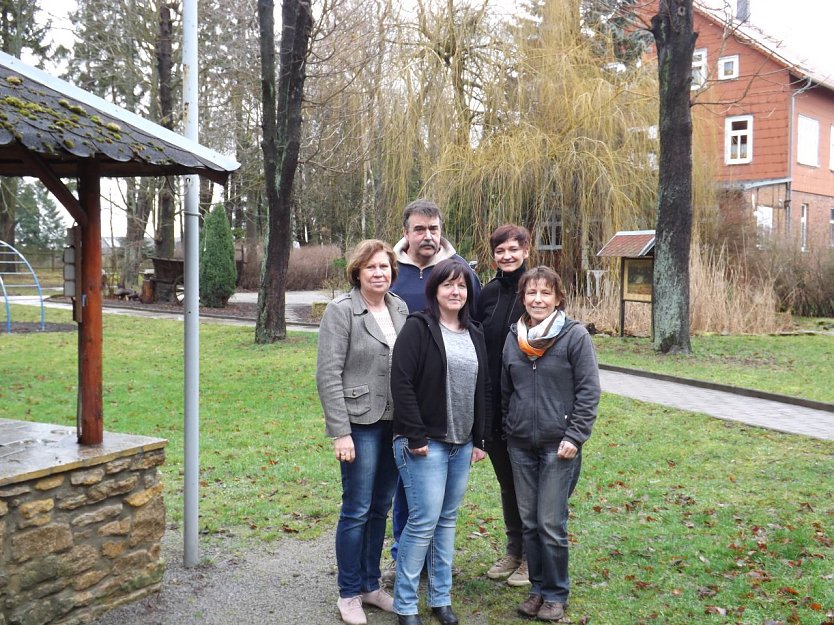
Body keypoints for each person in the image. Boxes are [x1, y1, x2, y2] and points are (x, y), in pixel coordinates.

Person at [384, 198, 481, 585]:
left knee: (438, 496)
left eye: (434, 229)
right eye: (420, 229)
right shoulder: (390, 271)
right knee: (404, 486)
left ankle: (434, 563)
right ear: (405, 233)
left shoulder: (460, 272)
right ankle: (403, 556)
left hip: (447, 403)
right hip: (398, 393)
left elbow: (473, 326)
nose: (427, 236)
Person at [390, 258, 491, 625]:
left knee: (446, 521)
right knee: (423, 522)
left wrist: (480, 438)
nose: (455, 291)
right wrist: (415, 434)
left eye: (461, 286)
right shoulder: (418, 327)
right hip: (424, 443)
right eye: (448, 285)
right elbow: (401, 382)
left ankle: (441, 599)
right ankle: (405, 605)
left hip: (461, 444)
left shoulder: (475, 332)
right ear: (434, 290)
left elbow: (484, 387)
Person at [316, 239, 409, 625]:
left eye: (384, 267)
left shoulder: (399, 308)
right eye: (371, 267)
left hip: (394, 423)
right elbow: (328, 374)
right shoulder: (341, 311)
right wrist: (341, 433)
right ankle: (349, 592)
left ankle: (371, 585)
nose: (378, 273)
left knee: (380, 507)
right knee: (356, 509)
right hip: (359, 424)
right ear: (357, 272)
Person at [501, 266, 600, 622]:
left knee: (550, 523)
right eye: (531, 293)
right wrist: (509, 427)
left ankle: (556, 594)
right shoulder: (514, 338)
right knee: (529, 522)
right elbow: (506, 390)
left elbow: (589, 391)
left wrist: (575, 435)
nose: (538, 299)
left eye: (546, 293)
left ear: (558, 298)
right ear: (523, 298)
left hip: (559, 446)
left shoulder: (574, 337)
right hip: (520, 445)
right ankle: (538, 589)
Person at [474, 224, 531, 587]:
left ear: (526, 251)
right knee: (507, 482)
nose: (507, 256)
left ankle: (532, 556)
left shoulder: (536, 290)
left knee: (528, 483)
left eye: (513, 249)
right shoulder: (488, 294)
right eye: (500, 251)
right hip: (492, 403)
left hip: (526, 404)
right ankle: (514, 549)